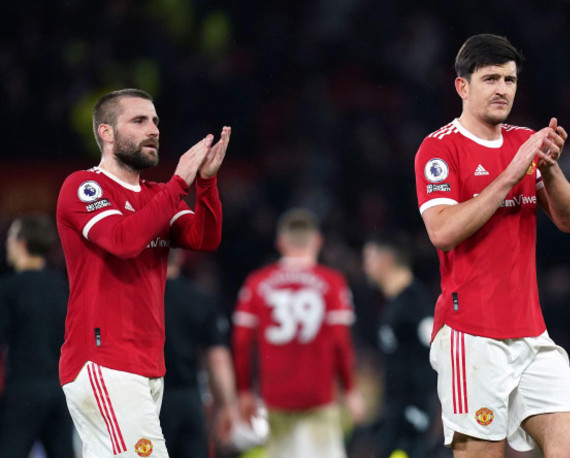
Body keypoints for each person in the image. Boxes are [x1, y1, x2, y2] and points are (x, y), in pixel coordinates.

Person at [414, 34, 570, 457]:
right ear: (463, 86)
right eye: (491, 78)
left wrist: (548, 169)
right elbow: (441, 231)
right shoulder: (439, 148)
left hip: (533, 337)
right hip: (471, 337)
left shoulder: (524, 141)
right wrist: (512, 175)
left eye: (510, 80)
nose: (502, 89)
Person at [56, 88, 230, 457]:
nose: (153, 129)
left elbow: (204, 238)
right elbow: (123, 240)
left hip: (148, 363)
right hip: (104, 360)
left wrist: (206, 182)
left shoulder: (156, 195)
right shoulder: (84, 187)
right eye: (138, 121)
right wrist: (179, 183)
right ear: (106, 132)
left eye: (154, 121)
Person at [231, 208, 365, 458]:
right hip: (319, 394)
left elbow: (241, 342)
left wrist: (244, 390)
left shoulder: (257, 283)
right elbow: (340, 341)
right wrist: (350, 389)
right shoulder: (333, 282)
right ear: (318, 241)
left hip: (275, 394)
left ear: (280, 243)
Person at [0, 215, 74, 458]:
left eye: (10, 236)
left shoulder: (9, 288)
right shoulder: (63, 286)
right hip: (61, 390)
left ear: (21, 243)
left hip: (24, 389)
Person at [362, 232, 441, 458]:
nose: (366, 266)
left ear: (386, 260)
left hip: (412, 415)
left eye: (369, 258)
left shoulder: (414, 303)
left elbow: (433, 355)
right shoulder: (393, 304)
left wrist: (422, 407)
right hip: (395, 413)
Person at [161, 249, 238, 458]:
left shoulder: (137, 300)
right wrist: (226, 406)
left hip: (148, 400)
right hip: (189, 401)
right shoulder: (199, 299)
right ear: (181, 256)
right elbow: (217, 358)